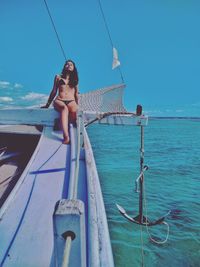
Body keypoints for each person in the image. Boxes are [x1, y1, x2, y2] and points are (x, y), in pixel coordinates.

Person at [42, 60, 79, 144]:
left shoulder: (75, 80)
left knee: (74, 114)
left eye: (71, 65)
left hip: (71, 101)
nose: (69, 66)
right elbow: (54, 91)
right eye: (67, 64)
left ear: (74, 68)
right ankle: (66, 137)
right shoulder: (58, 77)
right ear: (64, 66)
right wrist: (47, 104)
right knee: (64, 108)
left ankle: (59, 122)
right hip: (59, 100)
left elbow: (76, 94)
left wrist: (77, 105)